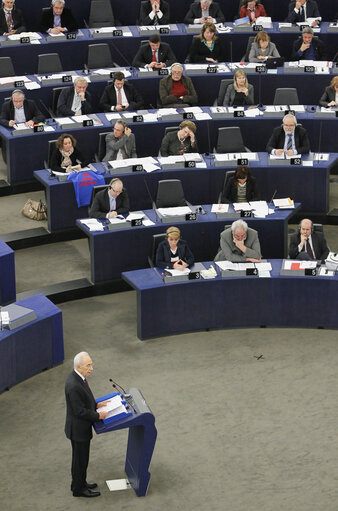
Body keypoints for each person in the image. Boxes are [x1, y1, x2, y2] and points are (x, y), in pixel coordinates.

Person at [65, 352, 108, 498]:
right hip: (78, 430)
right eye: (88, 365)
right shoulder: (73, 385)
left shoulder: (79, 378)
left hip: (80, 428)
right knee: (80, 461)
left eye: (91, 364)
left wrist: (96, 404)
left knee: (81, 460)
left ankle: (80, 483)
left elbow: (84, 401)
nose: (91, 368)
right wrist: (98, 415)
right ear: (78, 366)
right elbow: (79, 411)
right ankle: (79, 489)